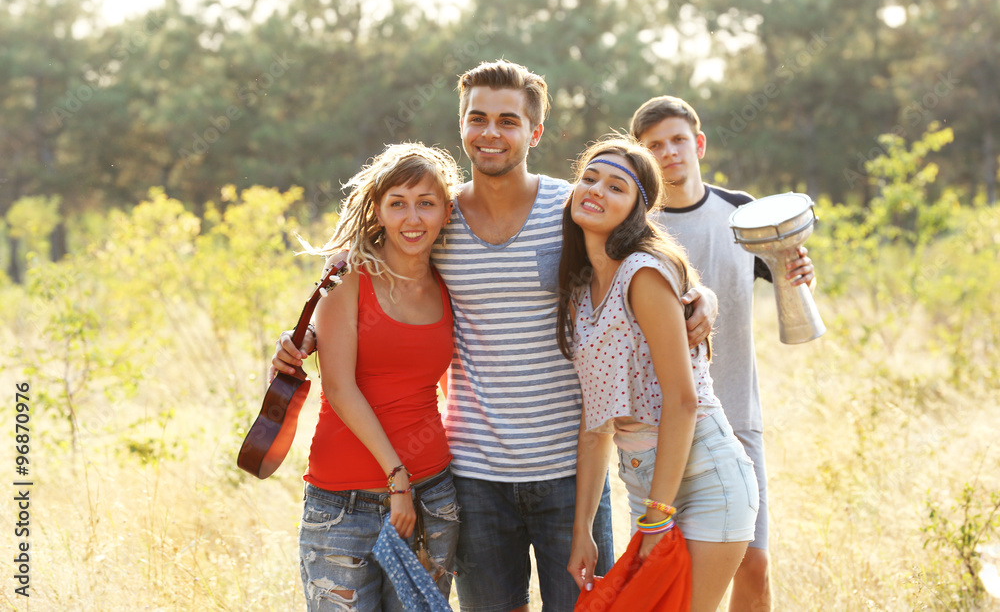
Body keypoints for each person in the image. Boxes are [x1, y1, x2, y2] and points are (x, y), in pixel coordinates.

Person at [274, 60, 720, 612]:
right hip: (474, 475)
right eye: (477, 117)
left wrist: (700, 294)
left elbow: (646, 252)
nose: (490, 132)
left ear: (533, 133)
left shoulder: (573, 209)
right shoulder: (436, 217)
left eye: (508, 121)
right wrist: (310, 330)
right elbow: (369, 262)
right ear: (460, 124)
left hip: (570, 469)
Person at [631, 95, 817, 612]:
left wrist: (798, 270)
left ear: (699, 144)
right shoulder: (639, 226)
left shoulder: (742, 211)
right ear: (642, 155)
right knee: (675, 568)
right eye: (654, 146)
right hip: (666, 420)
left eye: (677, 140)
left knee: (753, 562)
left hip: (737, 410)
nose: (668, 153)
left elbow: (786, 277)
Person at [559, 135, 758, 612]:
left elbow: (683, 400)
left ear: (635, 211)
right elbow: (595, 427)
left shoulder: (643, 274)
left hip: (705, 478)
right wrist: (583, 529)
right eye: (589, 179)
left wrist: (657, 516)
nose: (597, 190)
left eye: (616, 187)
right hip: (647, 482)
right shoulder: (581, 292)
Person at [295, 142, 462, 611]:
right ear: (378, 210)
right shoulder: (347, 277)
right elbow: (340, 388)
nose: (413, 219)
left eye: (426, 203)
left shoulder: (451, 282)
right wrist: (396, 478)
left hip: (433, 497)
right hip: (342, 504)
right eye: (398, 204)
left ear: (446, 211)